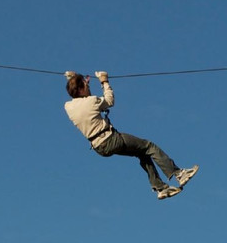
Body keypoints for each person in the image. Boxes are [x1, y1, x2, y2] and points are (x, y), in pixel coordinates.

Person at [64, 70, 198, 200]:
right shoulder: (91, 101)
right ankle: (178, 174)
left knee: (141, 153)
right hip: (111, 139)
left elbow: (78, 97)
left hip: (99, 148)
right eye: (86, 85)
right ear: (81, 90)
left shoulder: (68, 107)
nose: (88, 87)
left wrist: (72, 78)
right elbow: (109, 100)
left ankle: (160, 188)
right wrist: (104, 82)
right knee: (148, 146)